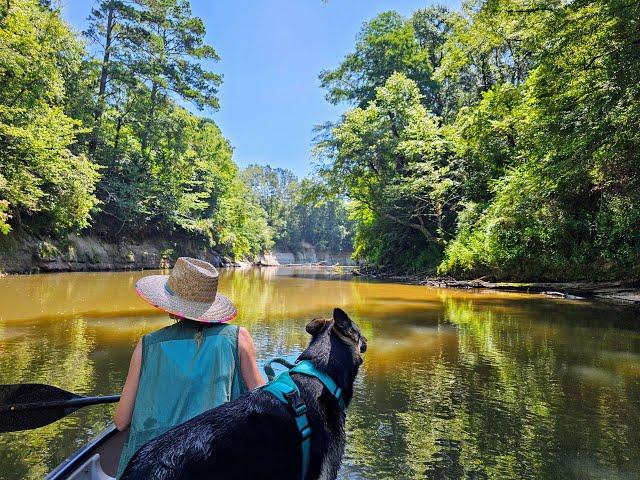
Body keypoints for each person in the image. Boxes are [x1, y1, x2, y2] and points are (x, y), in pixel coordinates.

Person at [114, 257, 265, 478]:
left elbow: (121, 422)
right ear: (210, 306)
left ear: (172, 307)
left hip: (153, 470)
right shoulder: (238, 339)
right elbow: (263, 408)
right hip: (211, 464)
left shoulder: (147, 345)